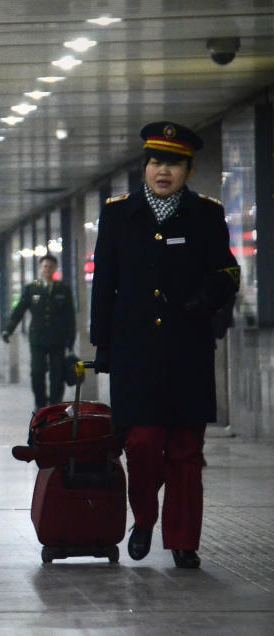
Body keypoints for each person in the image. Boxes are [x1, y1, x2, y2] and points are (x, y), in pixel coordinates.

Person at [91, 121, 239, 569]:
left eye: (173, 164)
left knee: (185, 451)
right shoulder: (118, 214)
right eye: (156, 161)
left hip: (188, 350)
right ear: (145, 166)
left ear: (189, 170)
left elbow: (228, 273)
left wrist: (207, 299)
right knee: (141, 443)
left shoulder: (206, 215)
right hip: (135, 352)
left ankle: (183, 540)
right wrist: (103, 347)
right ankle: (144, 519)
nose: (162, 171)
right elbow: (105, 283)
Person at [2, 254, 76, 409]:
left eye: (50, 266)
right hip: (38, 339)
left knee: (57, 374)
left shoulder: (63, 289)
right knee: (37, 372)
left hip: (58, 339)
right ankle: (40, 404)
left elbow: (70, 316)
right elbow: (19, 310)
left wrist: (71, 339)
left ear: (55, 268)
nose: (47, 269)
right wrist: (8, 330)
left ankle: (55, 404)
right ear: (40, 269)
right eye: (44, 266)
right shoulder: (32, 289)